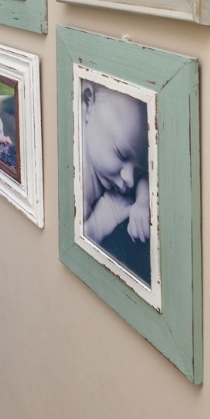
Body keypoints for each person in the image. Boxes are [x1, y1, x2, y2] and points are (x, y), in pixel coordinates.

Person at [79, 81, 151, 286]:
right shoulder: (80, 178)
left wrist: (143, 201)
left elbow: (142, 179)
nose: (130, 179)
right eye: (121, 154)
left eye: (137, 170)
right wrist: (100, 222)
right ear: (87, 102)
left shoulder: (111, 170)